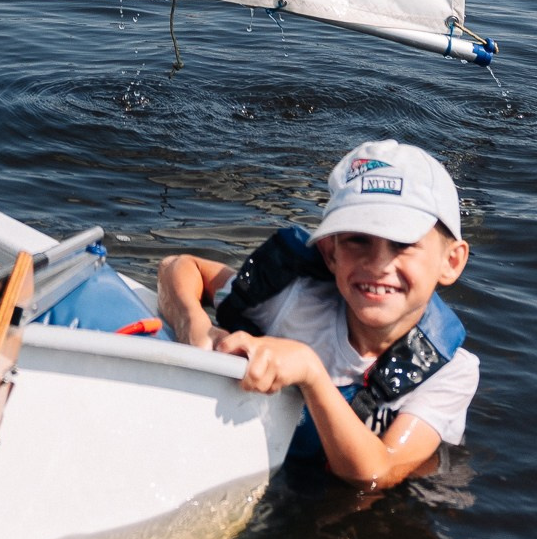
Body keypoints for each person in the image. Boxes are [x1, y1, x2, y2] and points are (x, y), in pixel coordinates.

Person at [157, 140, 477, 487]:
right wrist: (197, 325)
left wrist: (310, 371)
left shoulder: (450, 373)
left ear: (451, 261)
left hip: (381, 500)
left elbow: (378, 473)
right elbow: (178, 266)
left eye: (403, 244)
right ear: (330, 253)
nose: (378, 264)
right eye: (358, 239)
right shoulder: (292, 300)